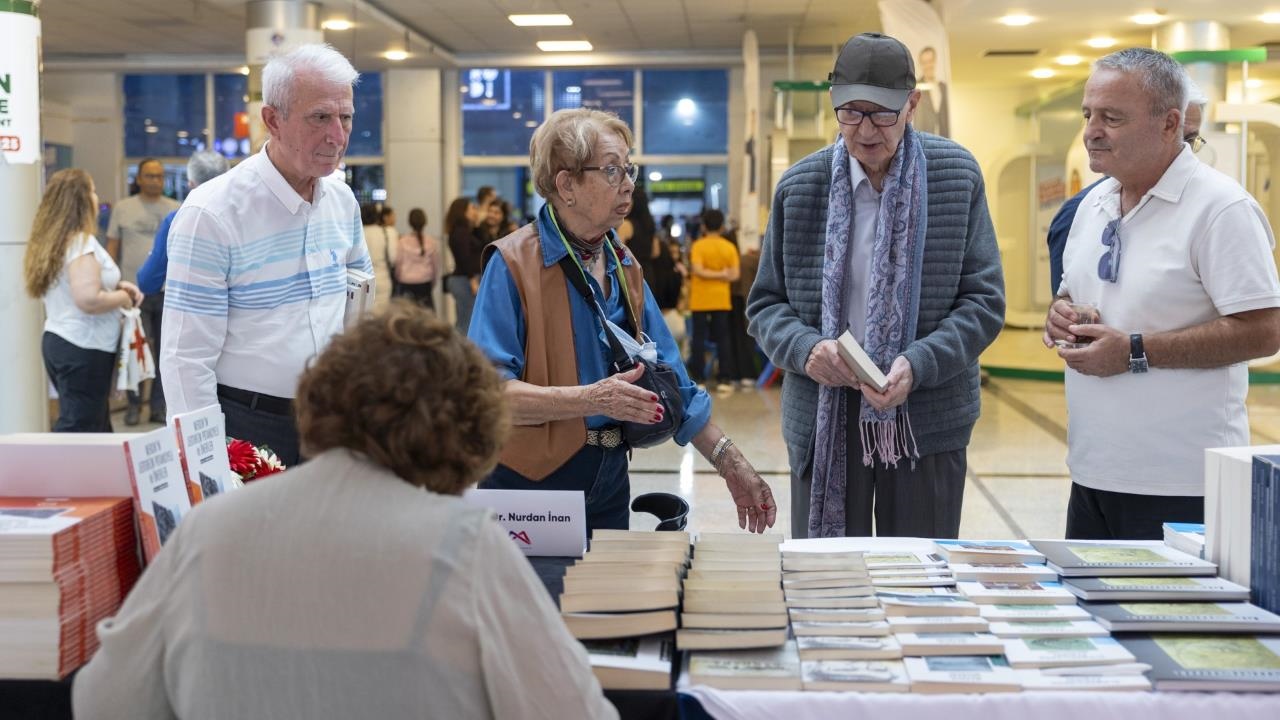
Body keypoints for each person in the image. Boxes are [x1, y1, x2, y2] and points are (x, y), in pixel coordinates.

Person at [73, 303, 618, 720]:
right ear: (469, 433)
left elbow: (102, 699)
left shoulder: (207, 529)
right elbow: (577, 710)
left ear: (318, 399)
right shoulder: (464, 546)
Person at [469, 108, 776, 534]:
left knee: (604, 598)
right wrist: (589, 400)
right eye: (612, 170)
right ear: (566, 185)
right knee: (539, 599)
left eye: (629, 169)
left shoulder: (622, 263)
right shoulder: (511, 264)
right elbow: (489, 396)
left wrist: (731, 463)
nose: (629, 183)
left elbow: (676, 384)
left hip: (608, 476)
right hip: (532, 485)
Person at [747, 32, 1005, 540]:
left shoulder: (955, 174)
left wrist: (920, 363)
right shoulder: (801, 187)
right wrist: (807, 349)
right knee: (827, 582)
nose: (864, 130)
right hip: (825, 415)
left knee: (919, 577)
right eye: (850, 112)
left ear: (914, 104)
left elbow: (984, 301)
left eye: (882, 114)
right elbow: (765, 305)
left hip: (924, 418)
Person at [1044, 48, 1280, 540]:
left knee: (1164, 620)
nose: (1091, 130)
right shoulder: (1094, 203)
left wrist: (1133, 351)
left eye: (1113, 117)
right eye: (1089, 114)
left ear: (1170, 123)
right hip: (1091, 473)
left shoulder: (1221, 209)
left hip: (1181, 485)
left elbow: (1264, 331)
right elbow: (1069, 292)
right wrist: (1060, 315)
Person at [162, 44, 372, 467]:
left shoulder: (342, 201)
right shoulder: (212, 214)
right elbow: (186, 358)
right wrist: (205, 463)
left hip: (329, 420)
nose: (338, 135)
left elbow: (357, 303)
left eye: (345, 117)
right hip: (247, 425)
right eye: (320, 117)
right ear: (273, 120)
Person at [1046, 81, 1209, 296]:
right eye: (1088, 117)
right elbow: (1067, 302)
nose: (1183, 152)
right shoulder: (1083, 210)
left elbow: (1254, 319)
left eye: (1190, 140)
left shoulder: (1215, 208)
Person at [24, 169, 144, 432]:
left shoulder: (55, 241)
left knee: (94, 423)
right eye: (91, 190)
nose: (95, 196)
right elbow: (88, 298)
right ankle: (52, 473)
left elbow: (78, 286)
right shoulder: (81, 242)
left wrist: (114, 285)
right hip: (83, 346)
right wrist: (125, 296)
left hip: (63, 341)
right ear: (81, 200)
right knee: (79, 425)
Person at [107, 157, 180, 425]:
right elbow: (112, 247)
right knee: (133, 349)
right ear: (138, 179)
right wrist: (113, 283)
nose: (155, 181)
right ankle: (133, 405)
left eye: (159, 176)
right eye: (149, 176)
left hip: (169, 292)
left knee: (166, 353)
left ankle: (159, 407)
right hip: (132, 293)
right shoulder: (123, 209)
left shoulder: (176, 208)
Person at [136, 151, 230, 297]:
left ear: (191, 184)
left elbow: (148, 282)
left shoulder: (176, 220)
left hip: (196, 313)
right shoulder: (249, 217)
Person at [687, 208, 740, 392]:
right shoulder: (729, 247)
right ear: (722, 226)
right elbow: (734, 275)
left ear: (703, 225)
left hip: (700, 299)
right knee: (723, 338)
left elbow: (698, 270)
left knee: (698, 338)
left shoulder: (698, 246)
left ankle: (699, 377)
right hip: (721, 299)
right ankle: (725, 378)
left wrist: (710, 274)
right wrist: (722, 274)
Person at [444, 196, 483, 333]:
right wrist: (472, 279)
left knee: (467, 320)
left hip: (466, 279)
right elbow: (464, 257)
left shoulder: (465, 230)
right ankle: (460, 353)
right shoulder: (460, 232)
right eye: (472, 208)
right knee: (466, 323)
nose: (475, 211)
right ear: (463, 211)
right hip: (465, 281)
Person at [394, 207, 440, 310]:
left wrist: (398, 279)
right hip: (424, 284)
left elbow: (398, 264)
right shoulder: (431, 242)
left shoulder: (402, 241)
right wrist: (431, 282)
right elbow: (435, 267)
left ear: (409, 222)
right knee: (426, 318)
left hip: (406, 283)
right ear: (425, 222)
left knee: (406, 316)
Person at [913, 46, 949, 137]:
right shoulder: (916, 87)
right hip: (924, 139)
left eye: (930, 61)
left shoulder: (943, 87)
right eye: (925, 63)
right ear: (920, 64)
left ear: (935, 61)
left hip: (943, 139)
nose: (928, 66)